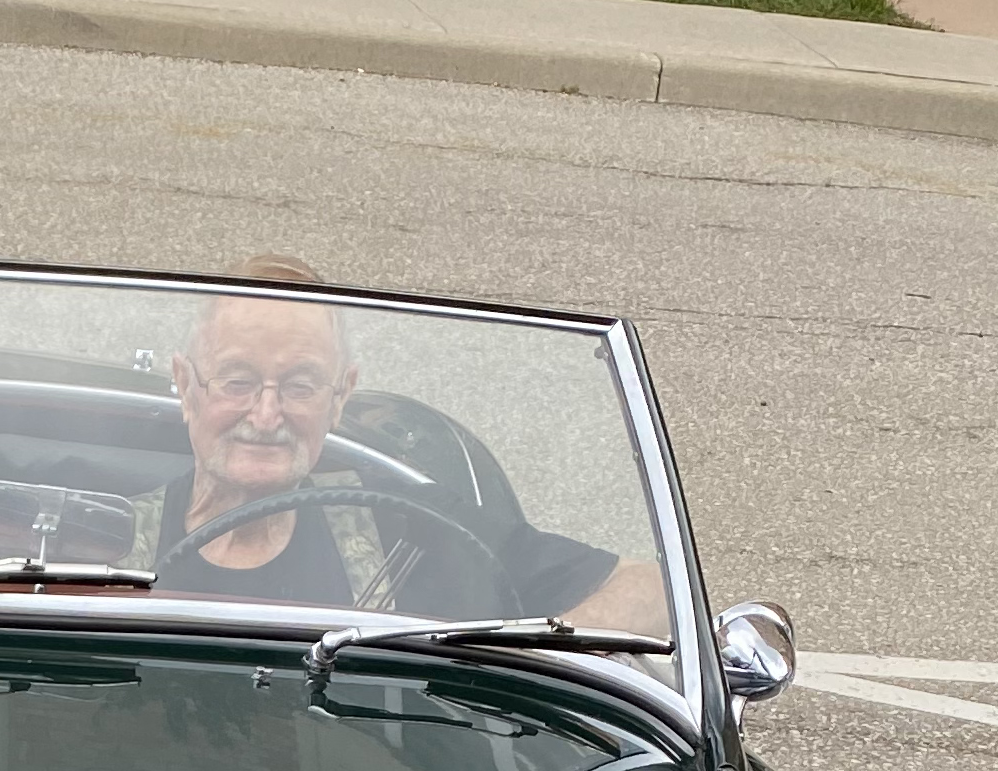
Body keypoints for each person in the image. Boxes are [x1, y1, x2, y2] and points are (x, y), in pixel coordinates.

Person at [137, 258, 666, 632]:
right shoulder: (103, 532)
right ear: (186, 387)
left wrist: (531, 654)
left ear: (340, 396)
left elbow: (650, 590)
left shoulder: (407, 525)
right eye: (237, 381)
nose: (267, 414)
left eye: (300, 386)